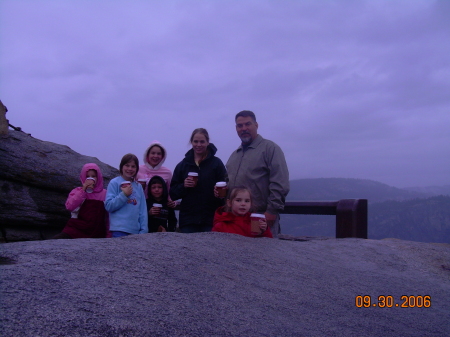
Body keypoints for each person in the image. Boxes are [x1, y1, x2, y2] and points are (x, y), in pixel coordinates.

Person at [225, 110, 290, 237]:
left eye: (248, 124)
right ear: (236, 128)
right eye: (240, 125)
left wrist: (271, 211)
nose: (244, 128)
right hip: (236, 218)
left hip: (260, 217)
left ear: (256, 125)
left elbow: (280, 183)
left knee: (265, 254)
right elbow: (229, 181)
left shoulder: (270, 149)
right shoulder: (234, 155)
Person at [170, 128, 227, 233]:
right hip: (188, 220)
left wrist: (220, 193)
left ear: (207, 142)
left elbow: (225, 186)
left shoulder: (216, 163)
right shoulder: (183, 165)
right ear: (191, 142)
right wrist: (184, 185)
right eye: (195, 141)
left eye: (202, 141)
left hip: (211, 219)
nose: (198, 144)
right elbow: (173, 193)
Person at [53, 163, 108, 239]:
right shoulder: (77, 191)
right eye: (87, 176)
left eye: (93, 176)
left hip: (96, 231)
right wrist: (83, 190)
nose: (90, 179)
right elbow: (69, 207)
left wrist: (108, 235)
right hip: (76, 228)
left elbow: (109, 216)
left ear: (98, 177)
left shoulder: (105, 193)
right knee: (58, 239)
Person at [105, 153, 148, 238]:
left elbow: (143, 210)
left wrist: (144, 230)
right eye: (127, 165)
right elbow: (108, 206)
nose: (130, 169)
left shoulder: (138, 186)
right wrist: (124, 195)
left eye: (133, 166)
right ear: (121, 166)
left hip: (135, 231)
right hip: (119, 230)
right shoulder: (114, 183)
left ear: (136, 169)